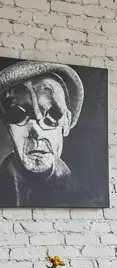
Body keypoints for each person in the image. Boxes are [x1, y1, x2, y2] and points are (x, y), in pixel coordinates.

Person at [0, 61, 85, 206]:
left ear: (66, 121)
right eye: (18, 116)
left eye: (51, 117)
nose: (36, 133)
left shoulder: (83, 195)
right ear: (6, 125)